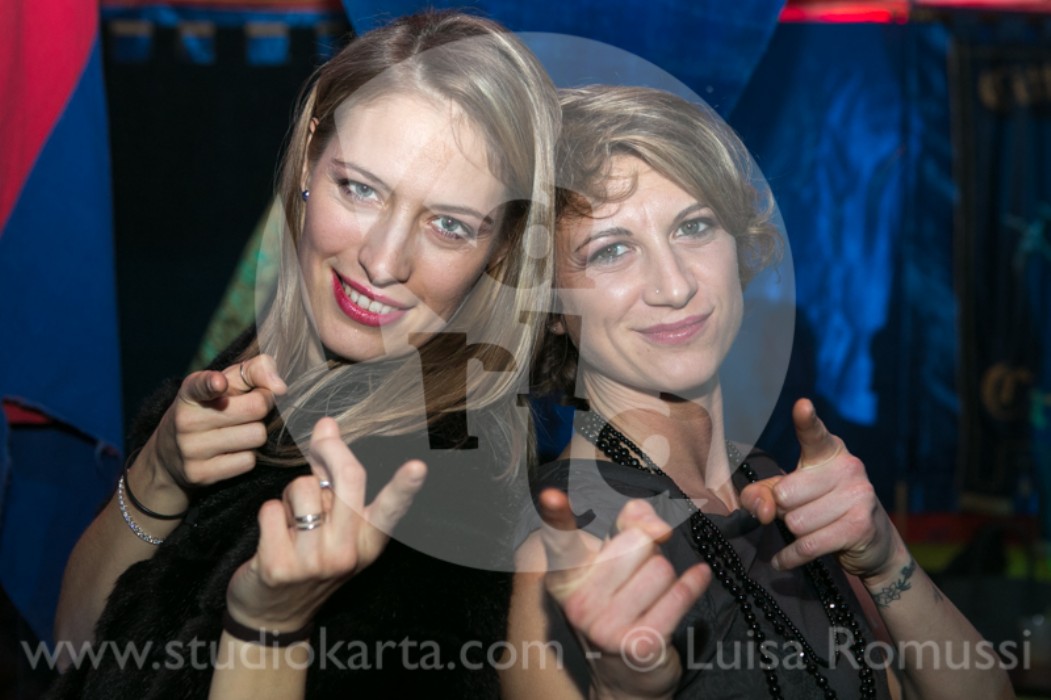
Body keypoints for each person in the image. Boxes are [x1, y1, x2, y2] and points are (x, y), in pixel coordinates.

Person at [48, 10, 559, 698]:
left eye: (448, 225)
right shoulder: (262, 363)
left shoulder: (449, 502)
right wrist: (158, 475)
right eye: (360, 188)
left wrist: (269, 626)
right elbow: (71, 653)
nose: (382, 262)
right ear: (312, 152)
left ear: (501, 247)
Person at [501, 86, 1014, 699]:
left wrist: (885, 560)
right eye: (611, 250)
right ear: (549, 304)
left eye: (693, 227)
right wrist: (624, 691)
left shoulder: (778, 490)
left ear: (738, 247)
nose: (674, 285)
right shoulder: (567, 550)